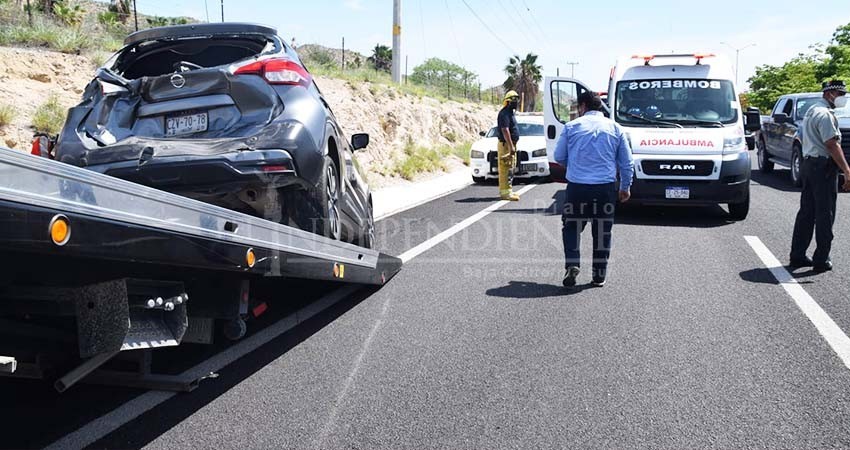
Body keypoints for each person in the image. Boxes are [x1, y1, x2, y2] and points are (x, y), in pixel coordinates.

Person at [554, 91, 634, 287]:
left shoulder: (571, 127)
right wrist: (625, 187)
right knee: (602, 231)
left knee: (572, 226)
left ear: (583, 106)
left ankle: (572, 264)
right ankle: (599, 275)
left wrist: (574, 165)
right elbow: (627, 162)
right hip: (604, 189)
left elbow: (558, 156)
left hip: (577, 188)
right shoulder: (616, 128)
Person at [790, 80, 850, 272]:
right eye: (841, 94)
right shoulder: (824, 114)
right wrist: (847, 170)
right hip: (823, 167)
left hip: (809, 164)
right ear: (830, 94)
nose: (843, 99)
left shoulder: (812, 110)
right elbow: (832, 144)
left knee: (807, 212)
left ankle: (797, 255)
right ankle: (821, 259)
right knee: (825, 214)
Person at [497, 90, 521, 201]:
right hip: (506, 145)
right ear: (508, 101)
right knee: (505, 169)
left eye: (517, 100)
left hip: (511, 144)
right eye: (513, 100)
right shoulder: (504, 113)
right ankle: (505, 193)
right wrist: (511, 146)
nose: (516, 102)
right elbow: (505, 130)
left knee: (510, 168)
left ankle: (509, 190)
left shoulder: (510, 113)